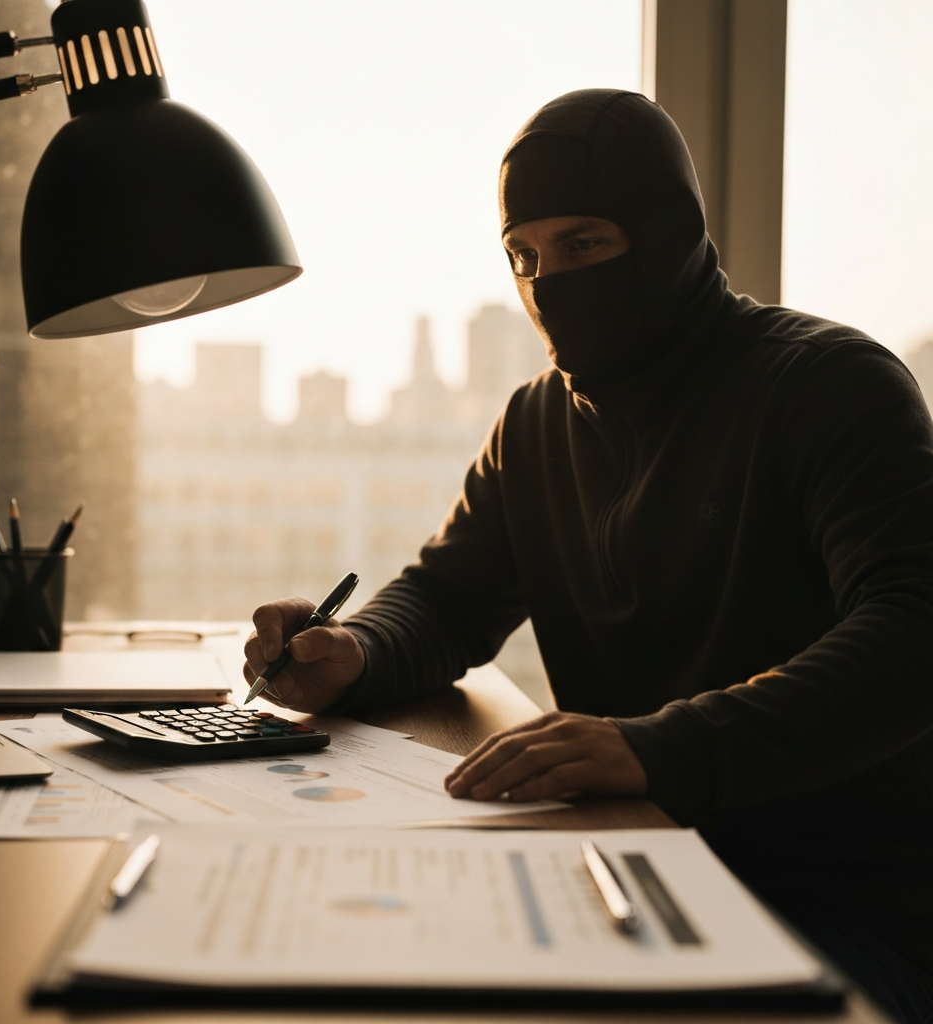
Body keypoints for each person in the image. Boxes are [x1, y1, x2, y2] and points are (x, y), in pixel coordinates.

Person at [244, 89, 933, 1022]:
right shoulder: (536, 424)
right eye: (523, 256)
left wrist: (656, 748)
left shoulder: (828, 385)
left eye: (584, 244)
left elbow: (913, 633)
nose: (549, 283)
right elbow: (451, 596)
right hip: (630, 864)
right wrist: (355, 652)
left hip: (844, 905)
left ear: (669, 232)